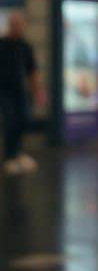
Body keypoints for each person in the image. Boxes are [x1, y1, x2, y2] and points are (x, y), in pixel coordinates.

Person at [0, 11, 42, 174]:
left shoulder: (25, 46)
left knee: (23, 119)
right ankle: (9, 156)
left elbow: (32, 70)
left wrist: (38, 90)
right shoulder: (2, 45)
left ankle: (17, 152)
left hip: (19, 90)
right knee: (10, 121)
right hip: (4, 90)